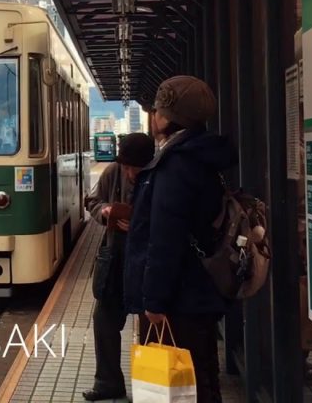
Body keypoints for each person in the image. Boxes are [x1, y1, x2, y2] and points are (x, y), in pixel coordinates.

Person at [124, 76, 236, 403]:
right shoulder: (200, 157)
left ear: (168, 117)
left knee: (183, 383)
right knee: (201, 374)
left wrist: (155, 301)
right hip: (198, 287)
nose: (154, 116)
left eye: (157, 110)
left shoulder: (177, 165)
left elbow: (164, 237)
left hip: (180, 296)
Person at [82, 133, 155, 402]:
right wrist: (106, 211)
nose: (128, 172)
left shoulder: (160, 175)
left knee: (152, 324)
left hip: (149, 261)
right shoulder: (113, 171)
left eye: (132, 167)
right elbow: (92, 201)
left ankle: (152, 386)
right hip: (116, 258)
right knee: (104, 320)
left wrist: (141, 223)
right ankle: (107, 382)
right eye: (124, 166)